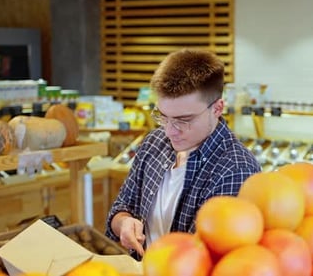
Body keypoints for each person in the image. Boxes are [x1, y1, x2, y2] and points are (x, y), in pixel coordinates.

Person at [105, 48, 261, 259]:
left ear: (217, 108)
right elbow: (121, 207)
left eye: (183, 120)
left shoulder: (236, 170)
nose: (170, 131)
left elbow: (205, 259)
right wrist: (124, 223)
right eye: (163, 117)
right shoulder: (154, 142)